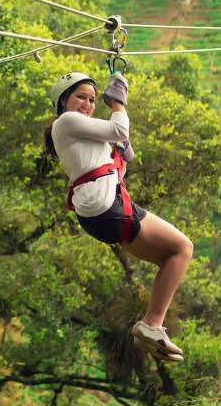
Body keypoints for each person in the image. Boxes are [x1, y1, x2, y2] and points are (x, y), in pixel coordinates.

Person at [43, 71, 193, 363]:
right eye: (80, 97)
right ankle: (150, 325)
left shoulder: (78, 130)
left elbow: (112, 142)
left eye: (92, 100)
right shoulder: (66, 121)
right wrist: (117, 104)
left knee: (172, 257)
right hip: (106, 208)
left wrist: (117, 152)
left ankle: (152, 326)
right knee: (182, 248)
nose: (87, 104)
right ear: (63, 101)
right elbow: (119, 130)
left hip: (99, 214)